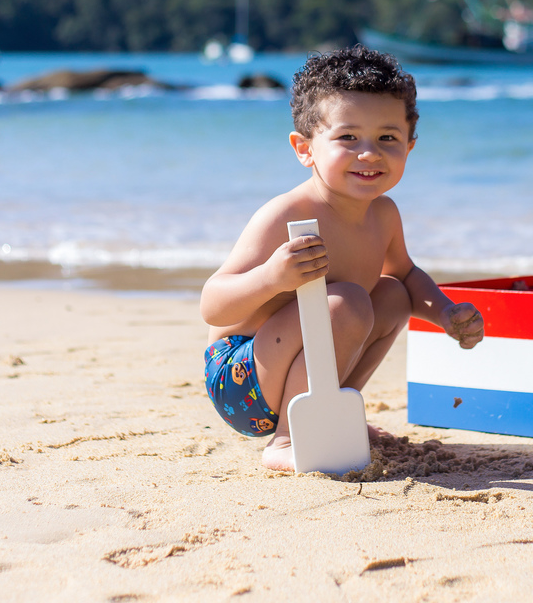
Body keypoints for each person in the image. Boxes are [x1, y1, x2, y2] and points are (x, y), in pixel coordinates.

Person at [200, 45, 484, 471]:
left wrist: (444, 312)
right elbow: (213, 305)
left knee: (391, 294)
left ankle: (331, 411)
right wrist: (271, 278)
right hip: (242, 379)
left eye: (387, 138)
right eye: (348, 137)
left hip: (291, 369)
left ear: (409, 147)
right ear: (305, 148)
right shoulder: (286, 214)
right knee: (347, 301)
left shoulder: (383, 215)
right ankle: (288, 438)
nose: (369, 153)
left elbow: (406, 275)